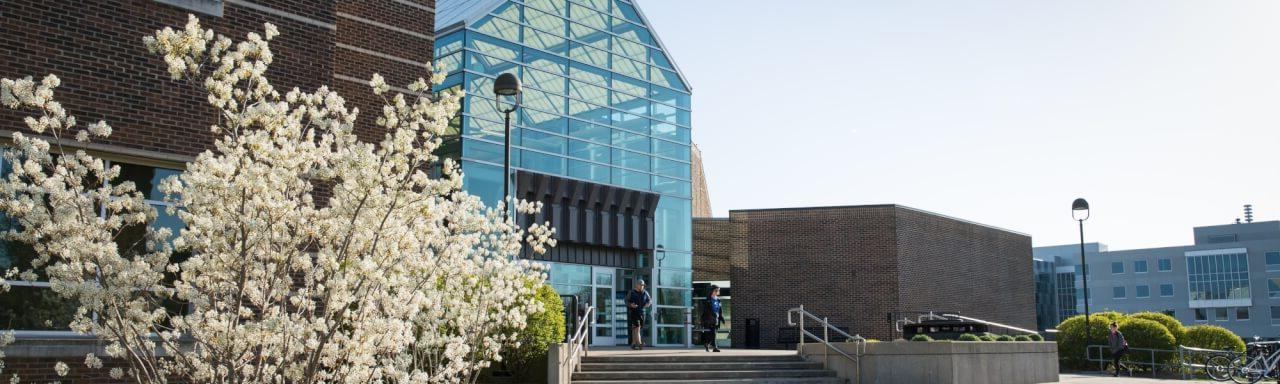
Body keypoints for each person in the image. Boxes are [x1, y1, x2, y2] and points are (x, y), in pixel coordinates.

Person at [625, 279, 651, 350]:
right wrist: (631, 305)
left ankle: (633, 344)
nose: (642, 286)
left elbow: (649, 300)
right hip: (634, 312)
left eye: (643, 285)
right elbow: (626, 301)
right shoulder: (631, 292)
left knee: (636, 328)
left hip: (642, 313)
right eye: (641, 285)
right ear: (637, 285)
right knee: (637, 327)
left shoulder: (645, 293)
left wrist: (647, 304)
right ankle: (639, 344)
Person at [700, 285, 725, 352]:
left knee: (713, 333)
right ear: (712, 291)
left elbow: (720, 309)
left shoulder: (718, 300)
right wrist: (712, 313)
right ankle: (715, 347)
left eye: (718, 290)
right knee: (713, 333)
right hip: (709, 319)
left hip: (716, 319)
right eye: (716, 290)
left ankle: (707, 344)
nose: (718, 291)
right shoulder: (708, 300)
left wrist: (721, 317)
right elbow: (705, 310)